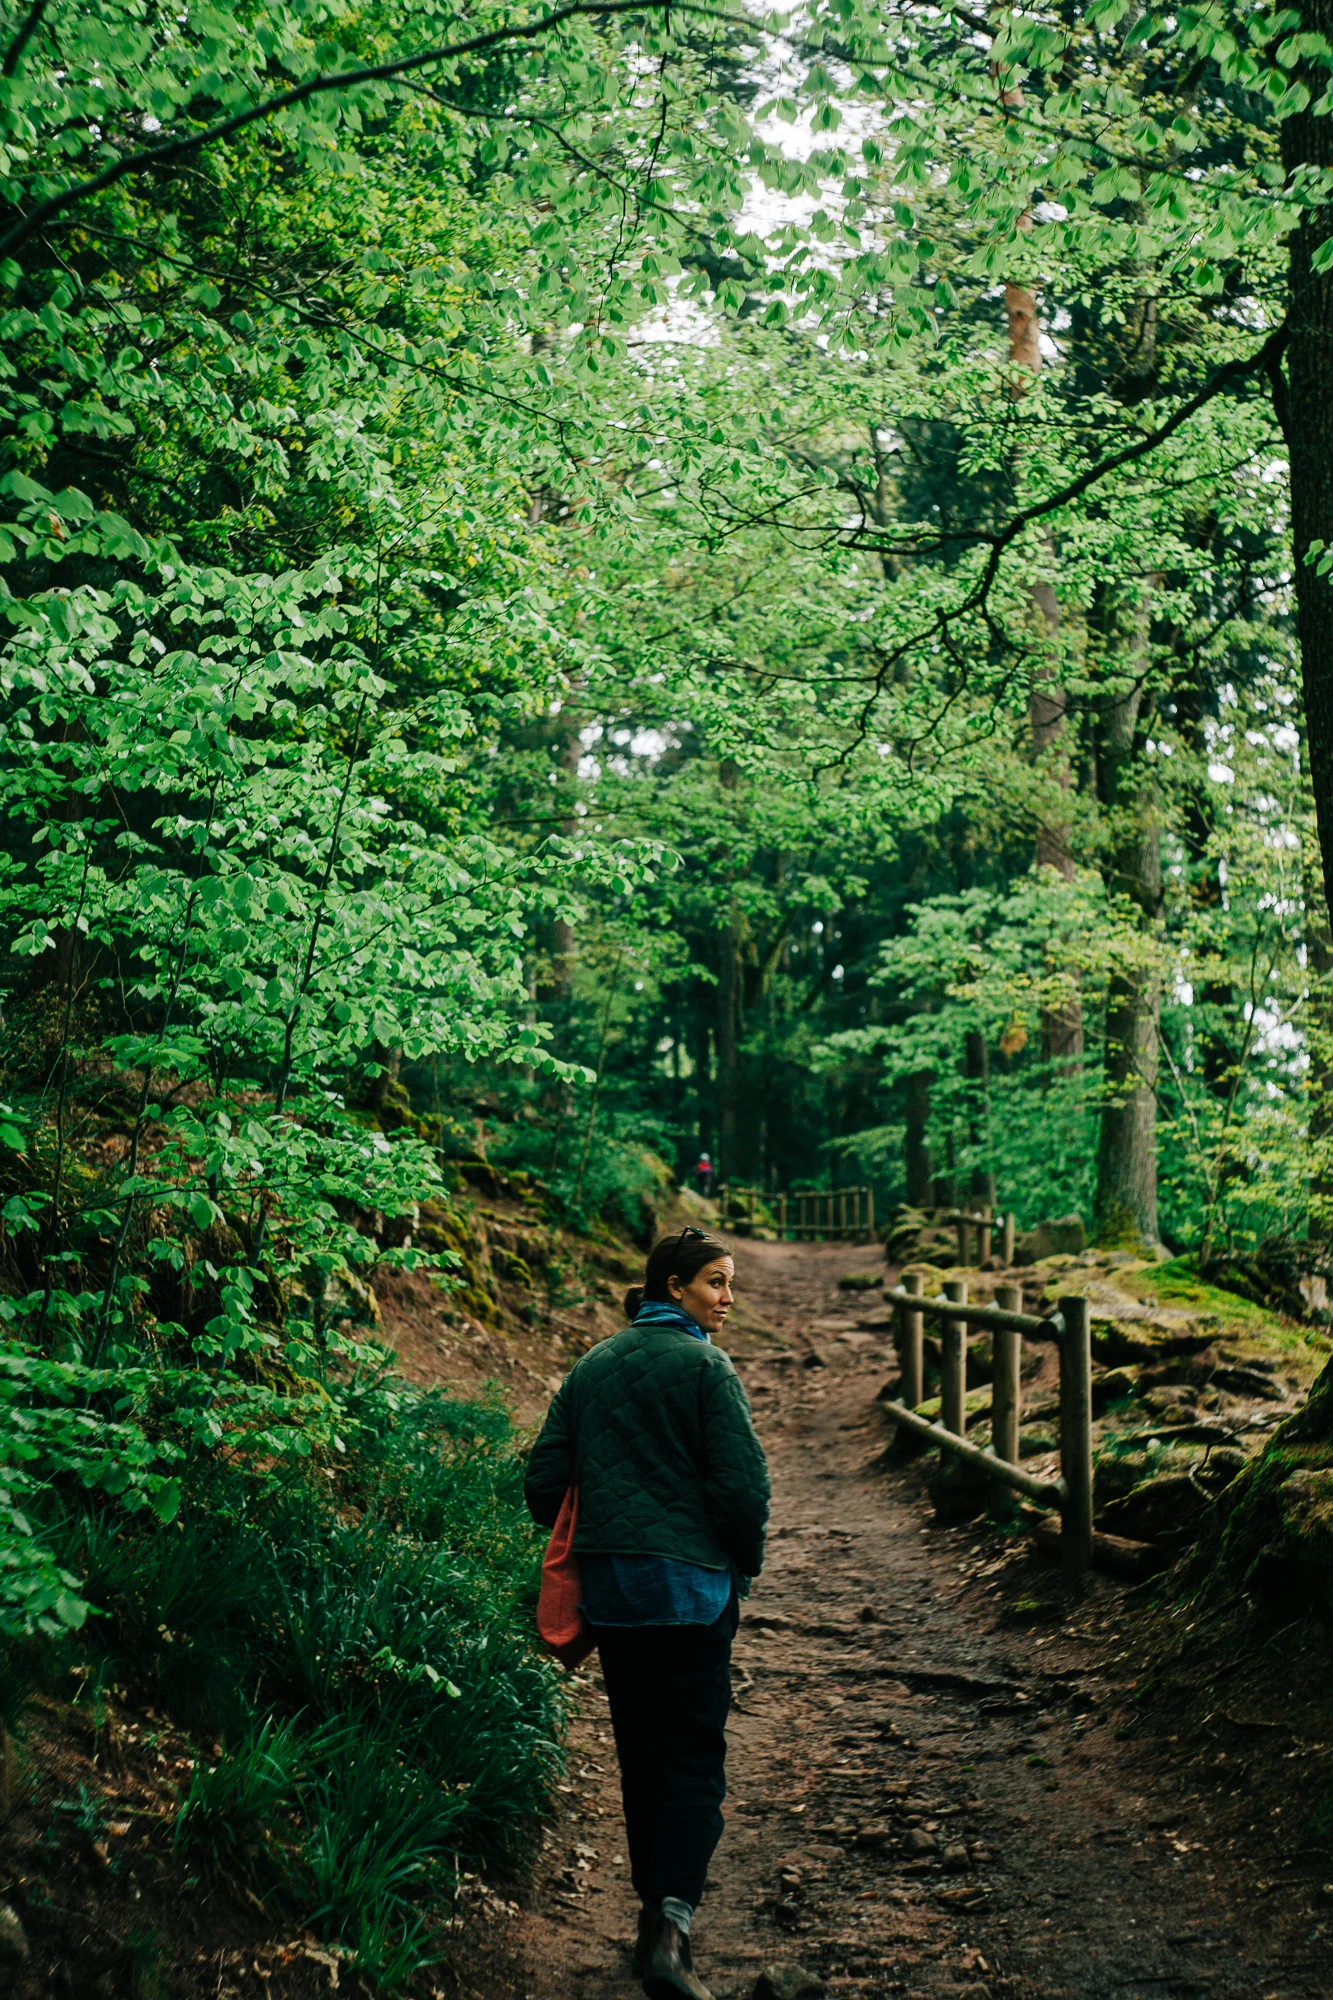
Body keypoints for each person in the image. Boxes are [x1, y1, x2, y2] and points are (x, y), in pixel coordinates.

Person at [525, 1227, 770, 2000]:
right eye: (715, 1283)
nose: (727, 1299)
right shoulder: (707, 1367)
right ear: (673, 1286)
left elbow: (542, 1483)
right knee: (693, 1753)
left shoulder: (593, 1365)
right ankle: (669, 1929)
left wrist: (606, 1522)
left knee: (642, 1755)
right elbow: (742, 1491)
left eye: (728, 1283)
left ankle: (647, 1921)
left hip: (617, 1594)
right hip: (693, 1592)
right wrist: (740, 1560)